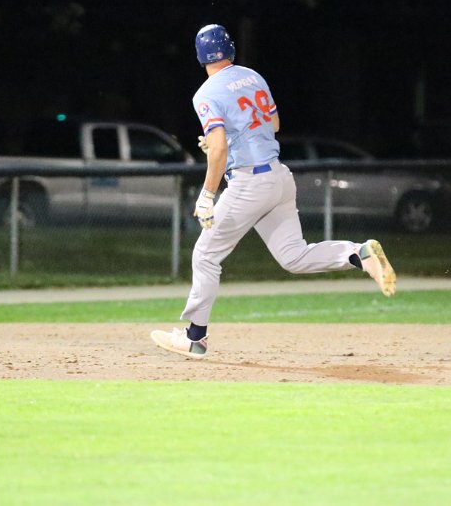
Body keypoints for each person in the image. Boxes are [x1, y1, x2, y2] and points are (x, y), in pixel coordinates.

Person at [151, 24, 396, 358]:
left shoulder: (205, 93)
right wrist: (225, 141)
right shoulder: (253, 77)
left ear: (200, 55)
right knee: (293, 256)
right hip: (279, 177)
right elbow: (274, 124)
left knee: (205, 255)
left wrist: (207, 194)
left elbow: (219, 148)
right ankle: (357, 253)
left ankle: (195, 337)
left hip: (249, 183)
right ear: (230, 49)